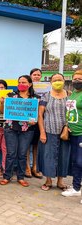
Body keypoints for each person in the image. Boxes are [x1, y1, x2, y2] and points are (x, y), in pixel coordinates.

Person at [0, 75, 39, 187]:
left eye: (24, 82)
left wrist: (34, 121)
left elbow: (36, 115)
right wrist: (2, 103)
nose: (21, 84)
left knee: (22, 154)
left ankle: (20, 177)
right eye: (19, 82)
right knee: (11, 154)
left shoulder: (35, 98)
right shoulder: (10, 96)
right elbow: (2, 111)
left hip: (27, 129)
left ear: (30, 84)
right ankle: (7, 176)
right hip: (11, 128)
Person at [38, 73, 71, 191]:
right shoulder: (45, 96)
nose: (58, 82)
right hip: (49, 131)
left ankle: (60, 181)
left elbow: (73, 113)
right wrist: (42, 132)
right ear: (51, 82)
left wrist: (68, 126)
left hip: (65, 132)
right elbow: (40, 115)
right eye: (55, 80)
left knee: (63, 156)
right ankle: (48, 181)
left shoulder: (69, 95)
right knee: (48, 156)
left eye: (60, 80)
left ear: (64, 81)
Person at [61, 70, 82, 200]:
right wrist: (67, 125)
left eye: (80, 79)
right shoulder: (73, 93)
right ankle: (76, 187)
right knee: (75, 162)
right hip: (72, 132)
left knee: (80, 162)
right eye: (75, 79)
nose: (76, 81)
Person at [25, 68, 43, 179]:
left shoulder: (46, 89)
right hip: (27, 120)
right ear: (30, 76)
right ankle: (27, 167)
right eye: (34, 74)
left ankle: (35, 167)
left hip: (40, 120)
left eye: (38, 75)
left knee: (36, 145)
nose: (36, 76)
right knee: (27, 145)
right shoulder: (27, 89)